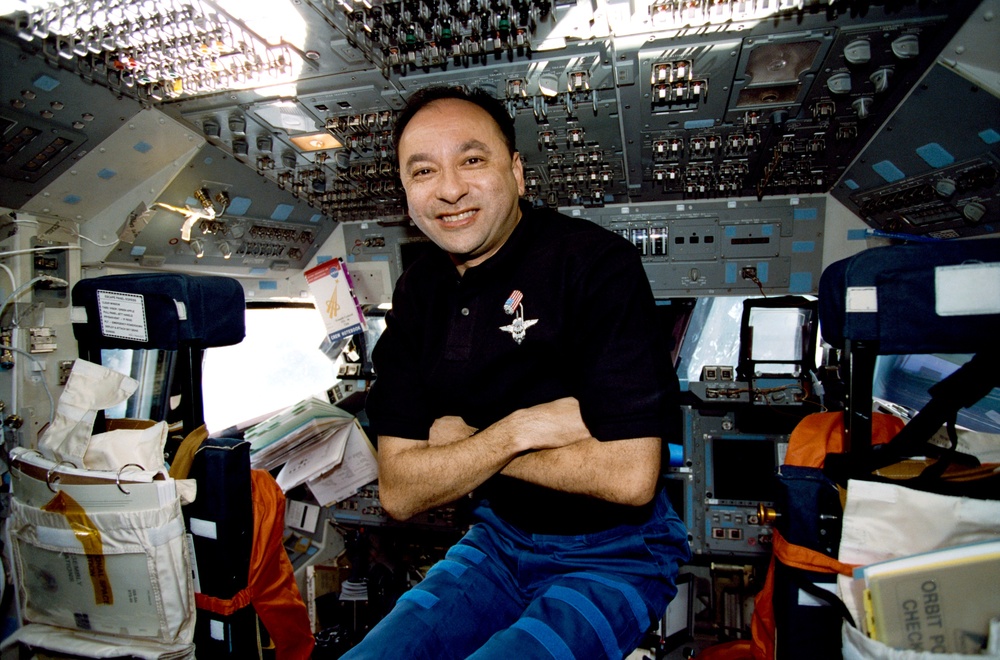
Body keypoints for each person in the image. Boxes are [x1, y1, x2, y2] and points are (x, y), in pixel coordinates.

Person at [345, 85, 690, 660]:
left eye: (471, 160)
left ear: (517, 172)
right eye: (423, 171)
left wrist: (462, 447)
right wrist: (515, 432)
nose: (450, 189)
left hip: (619, 551)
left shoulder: (595, 263)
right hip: (496, 539)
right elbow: (400, 491)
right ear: (407, 194)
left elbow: (629, 476)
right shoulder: (417, 291)